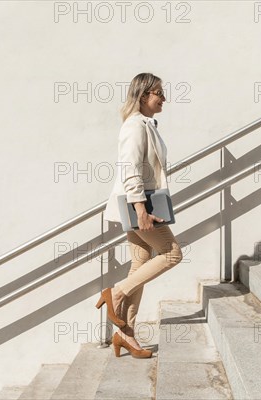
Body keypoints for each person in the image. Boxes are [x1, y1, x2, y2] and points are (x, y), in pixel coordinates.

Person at [96, 72, 183, 358]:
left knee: (141, 261)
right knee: (172, 254)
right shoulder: (135, 125)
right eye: (159, 92)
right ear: (144, 95)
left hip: (139, 205)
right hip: (139, 206)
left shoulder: (146, 124)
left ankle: (125, 335)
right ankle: (116, 292)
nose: (164, 98)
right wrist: (141, 209)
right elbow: (129, 167)